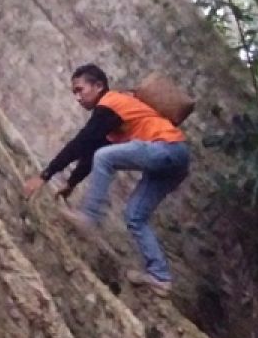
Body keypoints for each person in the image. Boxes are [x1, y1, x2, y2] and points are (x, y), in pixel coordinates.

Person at [23, 63, 190, 297]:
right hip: (177, 160)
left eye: (80, 90)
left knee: (105, 157)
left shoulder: (112, 103)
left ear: (98, 86)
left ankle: (89, 217)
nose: (78, 98)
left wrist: (45, 176)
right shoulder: (115, 119)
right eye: (74, 93)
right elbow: (91, 152)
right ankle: (160, 277)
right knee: (135, 216)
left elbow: (81, 142)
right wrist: (71, 183)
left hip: (167, 149)